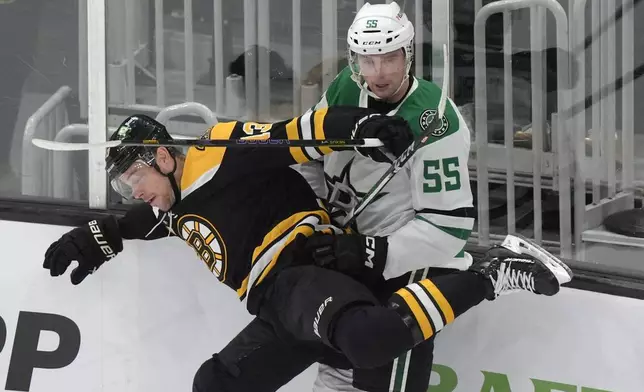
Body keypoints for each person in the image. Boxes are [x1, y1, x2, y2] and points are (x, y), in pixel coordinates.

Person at [41, 107, 572, 391]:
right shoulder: (172, 207)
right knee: (216, 385)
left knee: (369, 339)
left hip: (303, 273)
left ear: (162, 155)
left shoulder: (217, 151)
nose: (133, 190)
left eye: (134, 175)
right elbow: (148, 220)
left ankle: (493, 271)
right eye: (122, 185)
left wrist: (360, 126)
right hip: (276, 307)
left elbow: (300, 132)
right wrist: (95, 239)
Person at [291, 2, 519, 391]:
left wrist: (371, 252)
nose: (378, 73)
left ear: (408, 55)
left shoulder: (437, 120)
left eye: (389, 58)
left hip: (406, 272)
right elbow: (307, 154)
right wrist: (313, 217)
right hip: (345, 261)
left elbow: (447, 230)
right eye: (367, 59)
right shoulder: (345, 87)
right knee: (334, 375)